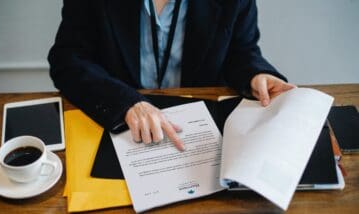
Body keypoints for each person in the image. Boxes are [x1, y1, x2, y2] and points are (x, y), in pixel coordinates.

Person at [48, 0, 295, 151]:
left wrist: (256, 74)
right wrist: (125, 102)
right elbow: (68, 60)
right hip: (122, 122)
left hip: (201, 128)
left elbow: (241, 50)